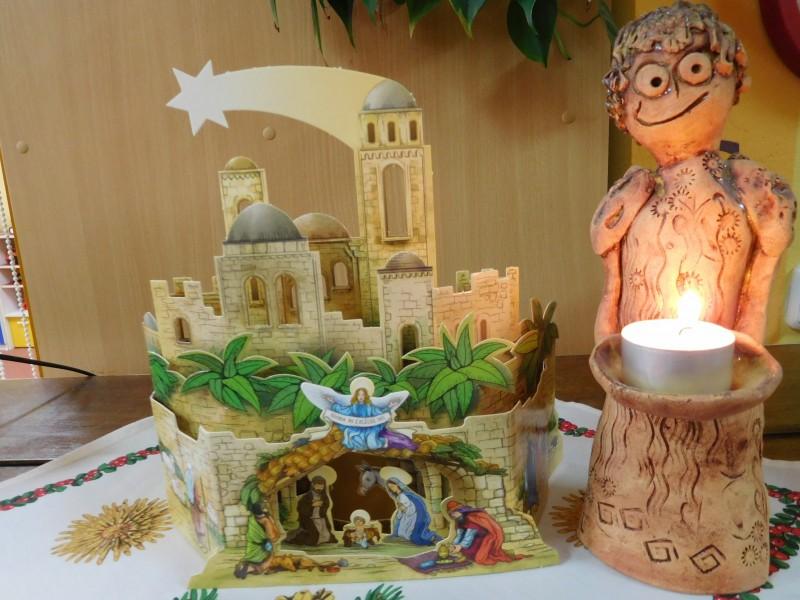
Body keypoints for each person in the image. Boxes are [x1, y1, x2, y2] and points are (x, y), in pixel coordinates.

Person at [592, 2, 795, 344]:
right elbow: (611, 276)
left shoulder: (745, 185)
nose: (676, 90)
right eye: (654, 80)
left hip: (719, 367)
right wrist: (608, 346)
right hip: (636, 365)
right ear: (622, 105)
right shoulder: (637, 190)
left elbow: (759, 281)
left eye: (694, 69)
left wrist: (746, 352)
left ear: (733, 77)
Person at [301, 378, 416, 451]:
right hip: (354, 429)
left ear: (366, 395)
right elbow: (344, 411)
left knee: (372, 443)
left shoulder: (370, 405)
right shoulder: (354, 405)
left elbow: (378, 412)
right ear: (356, 395)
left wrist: (388, 407)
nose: (361, 397)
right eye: (359, 395)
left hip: (370, 429)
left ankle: (386, 442)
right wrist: (333, 403)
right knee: (352, 441)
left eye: (363, 395)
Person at [446, 500, 518, 566]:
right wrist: (454, 544)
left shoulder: (471, 518)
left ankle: (467, 556)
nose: (452, 515)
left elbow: (469, 536)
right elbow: (460, 534)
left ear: (460, 511)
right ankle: (465, 555)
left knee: (479, 558)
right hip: (474, 537)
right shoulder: (460, 520)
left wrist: (460, 546)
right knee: (464, 548)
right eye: (451, 514)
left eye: (454, 513)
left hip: (484, 538)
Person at [385, 477, 441, 546]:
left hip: (412, 517)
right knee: (401, 533)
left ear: (397, 485)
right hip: (406, 517)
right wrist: (401, 511)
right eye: (390, 488)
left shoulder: (404, 495)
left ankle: (433, 538)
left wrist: (404, 509)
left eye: (392, 486)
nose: (392, 489)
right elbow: (401, 511)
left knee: (413, 536)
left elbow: (412, 509)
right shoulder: (399, 496)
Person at [286, 476, 337, 546]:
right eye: (317, 485)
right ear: (313, 485)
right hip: (309, 519)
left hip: (321, 518)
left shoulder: (324, 496)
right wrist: (312, 505)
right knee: (314, 536)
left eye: (321, 486)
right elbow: (300, 508)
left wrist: (322, 505)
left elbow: (326, 505)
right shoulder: (306, 497)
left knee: (326, 535)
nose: (319, 488)